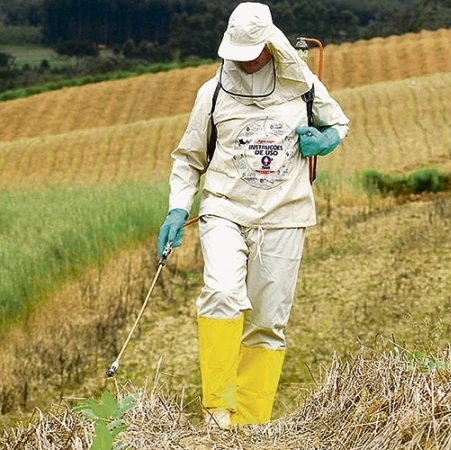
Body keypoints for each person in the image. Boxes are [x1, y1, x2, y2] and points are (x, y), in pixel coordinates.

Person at [156, 1, 350, 428]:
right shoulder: (214, 93)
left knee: (267, 324)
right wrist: (176, 209)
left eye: (252, 52)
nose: (244, 62)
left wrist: (325, 140)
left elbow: (339, 123)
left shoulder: (303, 85)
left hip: (284, 216)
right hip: (225, 210)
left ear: (269, 44)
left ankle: (249, 426)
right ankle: (217, 413)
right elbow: (189, 159)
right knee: (223, 293)